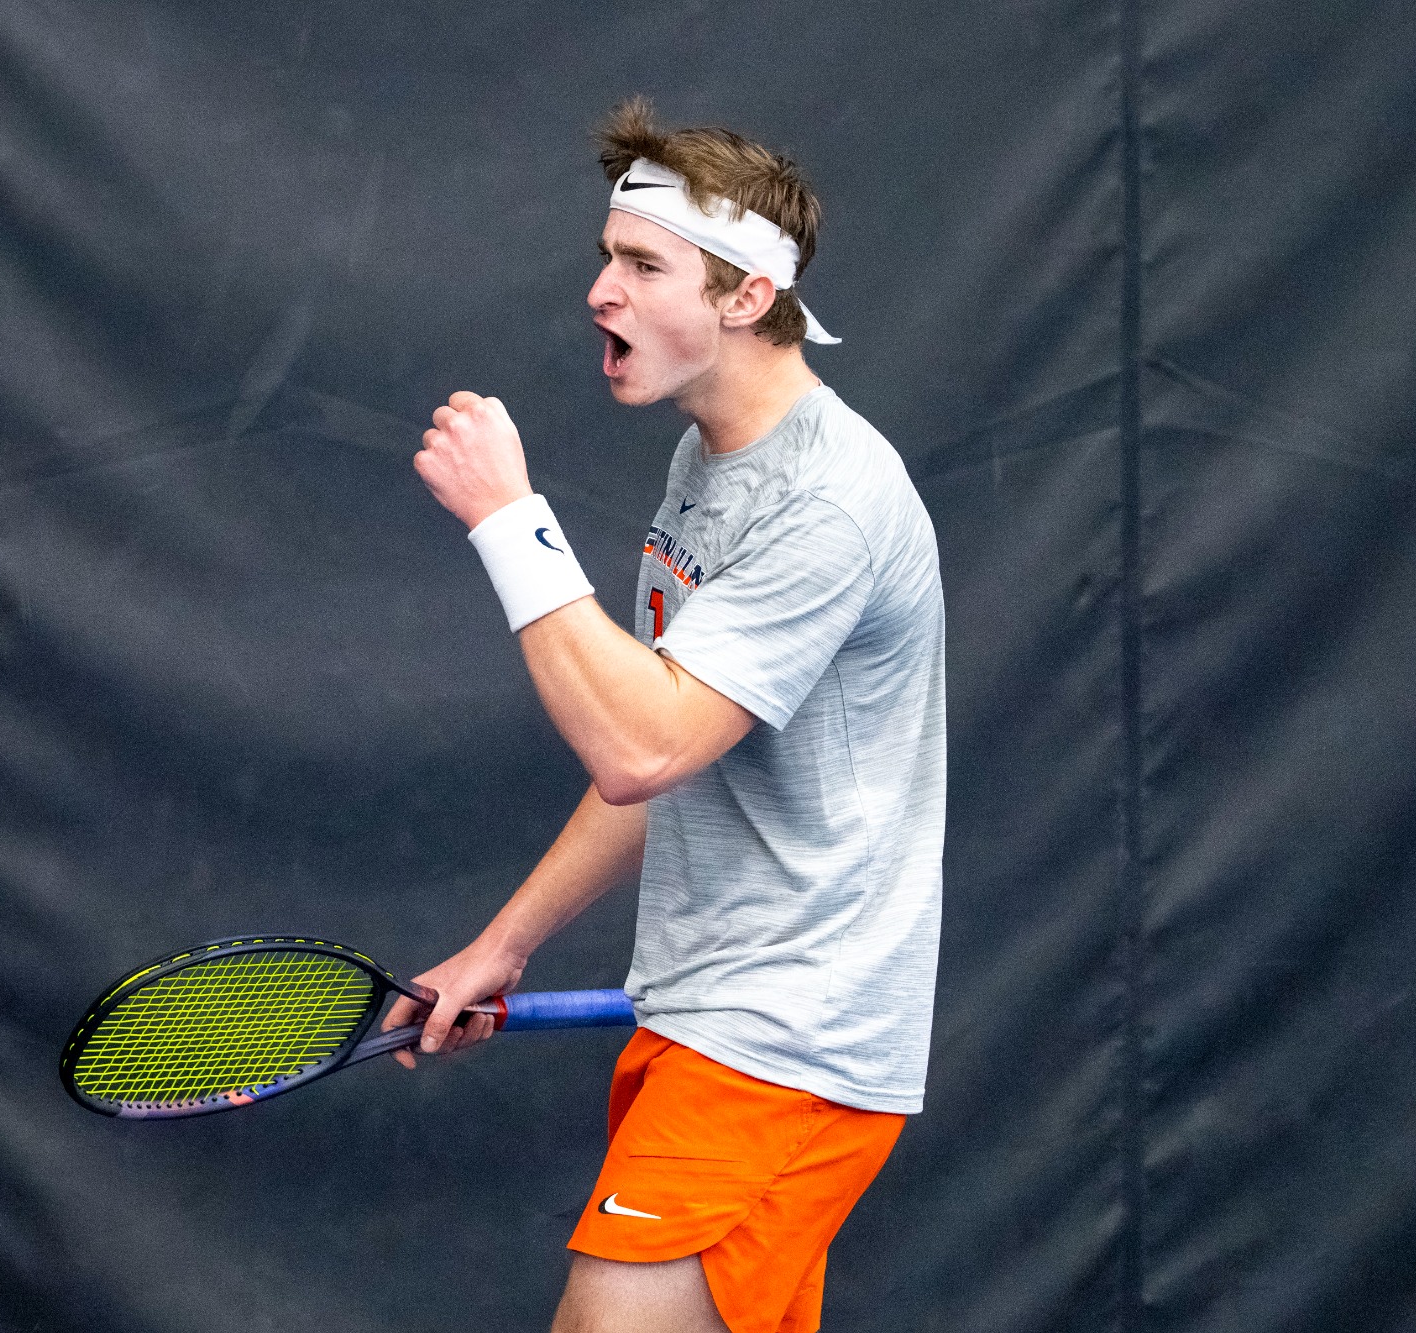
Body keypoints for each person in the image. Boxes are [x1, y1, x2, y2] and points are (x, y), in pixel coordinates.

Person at [391, 97, 946, 1333]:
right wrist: (503, 944)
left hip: (783, 1043)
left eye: (643, 266)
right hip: (705, 1015)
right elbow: (678, 741)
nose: (600, 290)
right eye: (607, 257)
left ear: (746, 297)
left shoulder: (827, 504)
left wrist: (508, 522)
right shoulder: (711, 464)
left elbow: (642, 744)